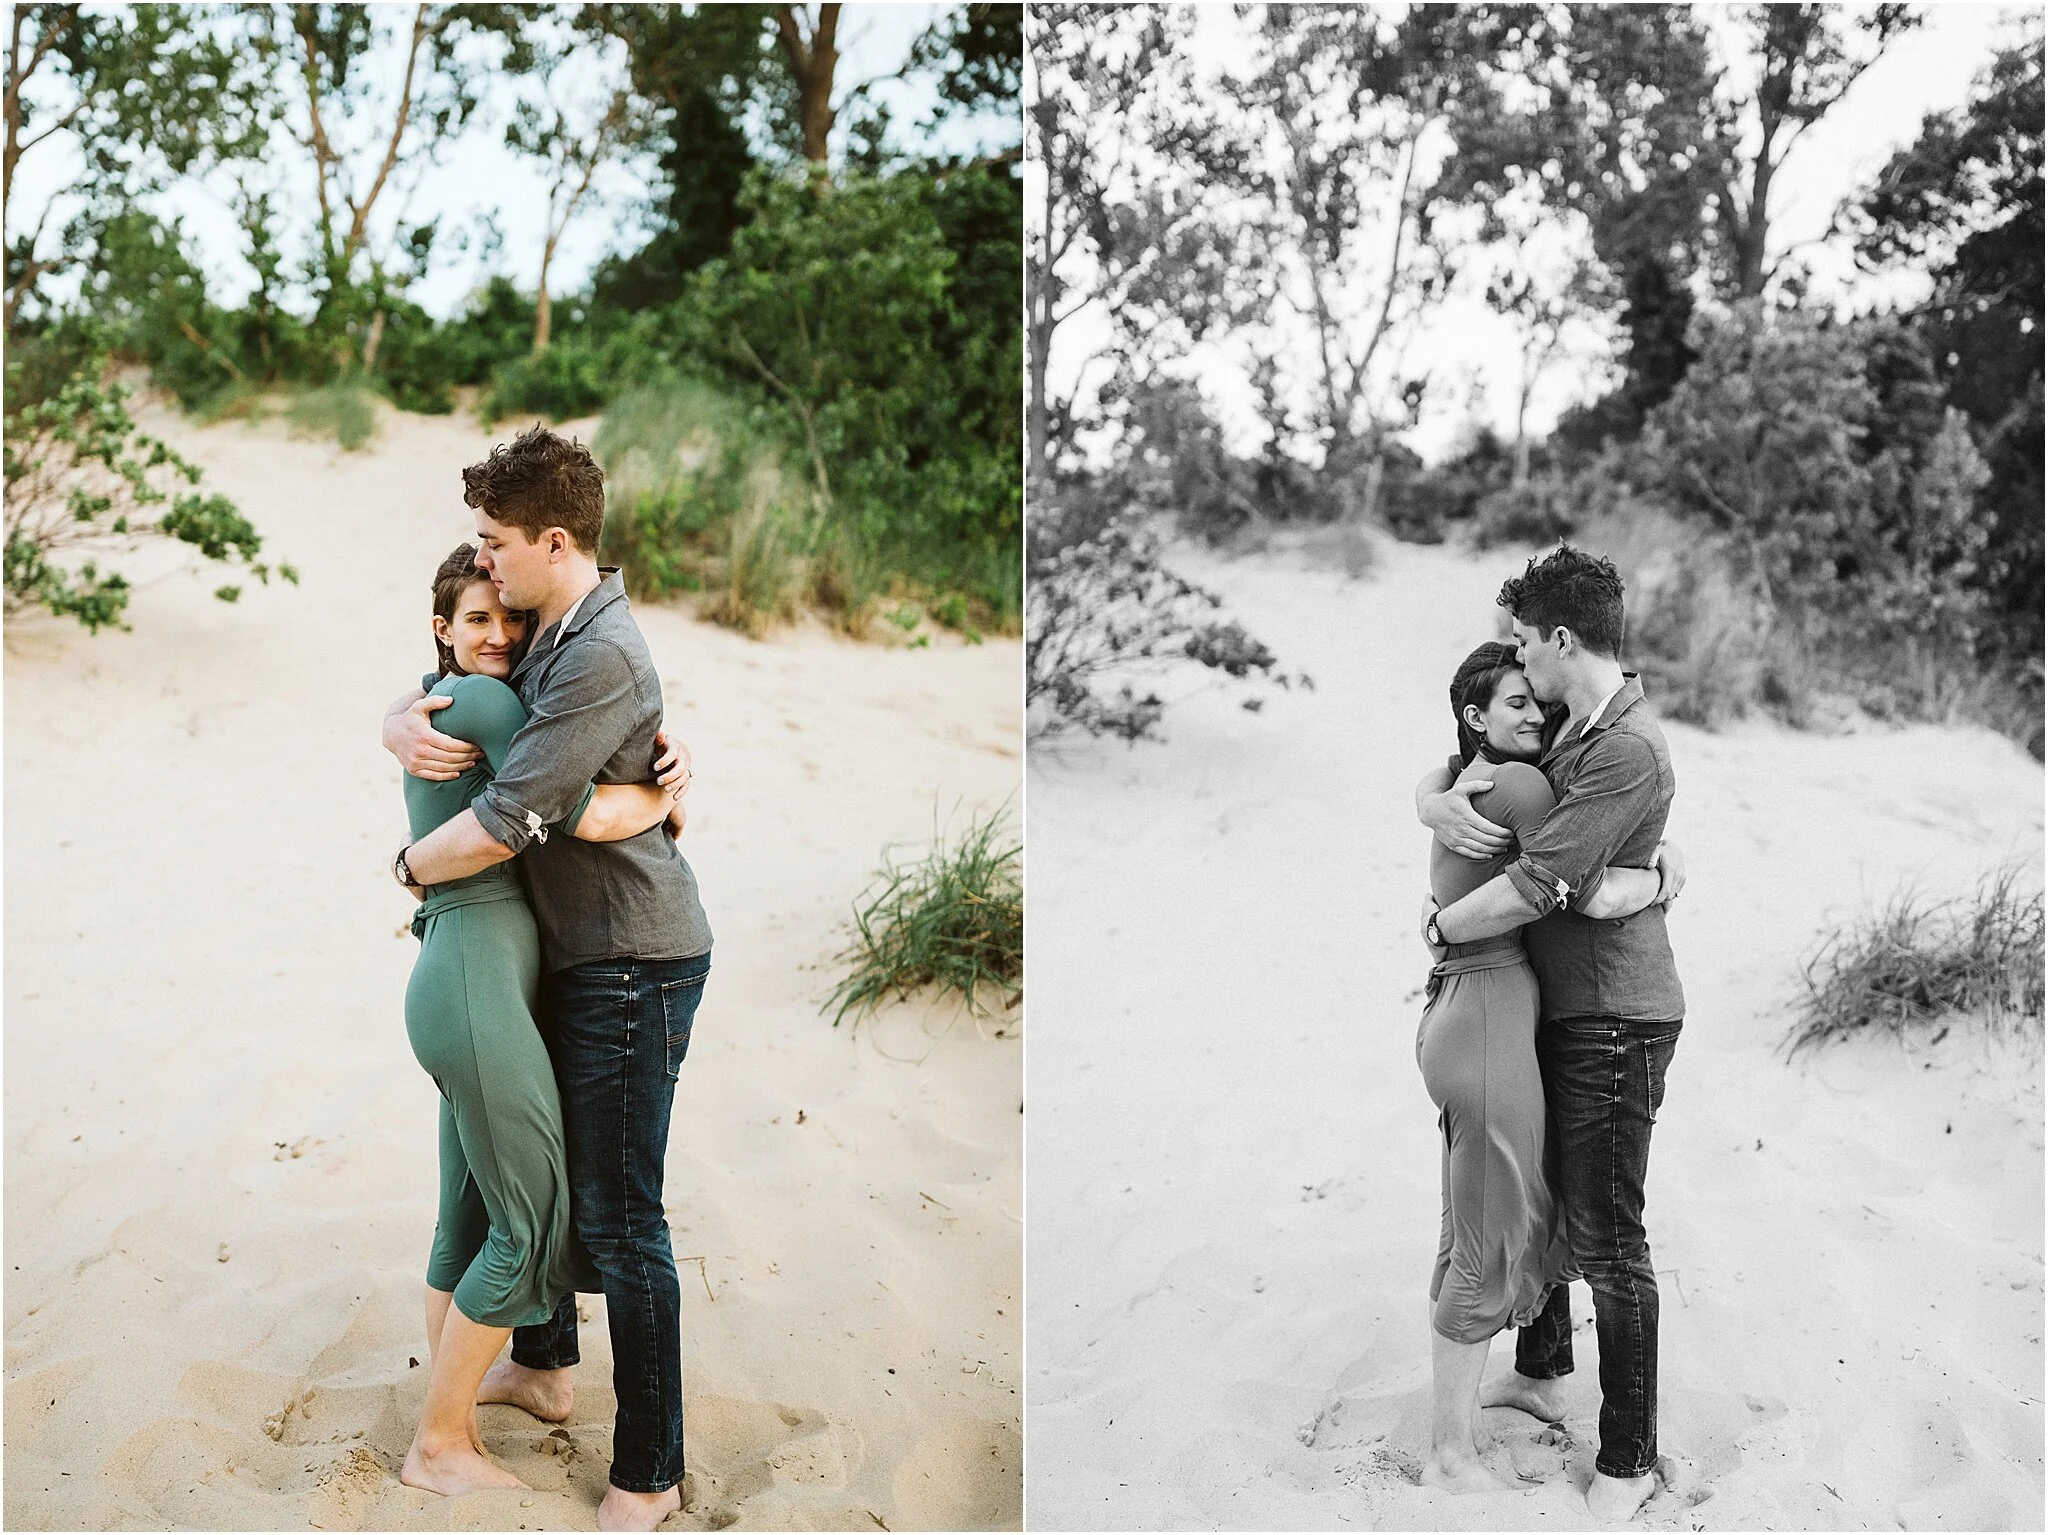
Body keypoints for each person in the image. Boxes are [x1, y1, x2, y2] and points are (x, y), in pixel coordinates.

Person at [385, 426, 715, 1533]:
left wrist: (410, 867)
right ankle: (538, 1367)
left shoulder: (596, 653)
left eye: (495, 544)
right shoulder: (545, 637)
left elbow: (514, 814)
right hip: (568, 949)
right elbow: (477, 707)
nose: (487, 566)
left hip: (632, 950)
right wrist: (399, 716)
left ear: (554, 540)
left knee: (621, 1217)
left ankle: (650, 1469)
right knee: (552, 1181)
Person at [1418, 546, 1688, 1523]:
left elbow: (1541, 882)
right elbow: (1480, 763)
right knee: (1547, 1199)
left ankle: (1628, 1456)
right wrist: (1431, 792)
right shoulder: (1578, 724)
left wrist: (1442, 924)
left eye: (1526, 642)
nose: (1517, 660)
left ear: (1560, 639)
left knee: (1608, 1238)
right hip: (1556, 1001)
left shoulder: (1622, 747)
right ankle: (1539, 1366)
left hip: (1614, 1012)